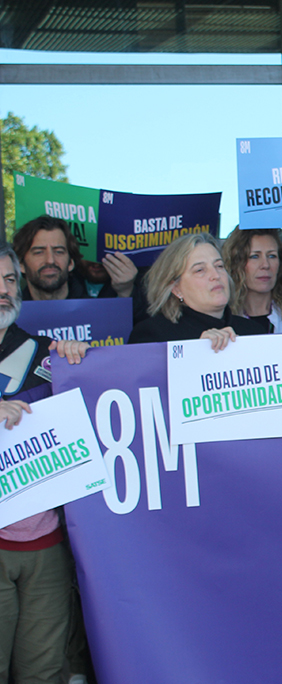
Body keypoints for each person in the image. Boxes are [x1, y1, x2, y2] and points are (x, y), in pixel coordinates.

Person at [0, 245, 91, 684]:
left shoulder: (42, 357)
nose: (3, 290)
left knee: (43, 672)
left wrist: (78, 364)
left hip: (44, 548)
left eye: (10, 280)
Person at [129, 233, 266, 346]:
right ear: (176, 288)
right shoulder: (152, 335)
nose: (216, 276)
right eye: (200, 270)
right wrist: (197, 353)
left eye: (219, 266)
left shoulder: (254, 332)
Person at [12, 216, 136, 300]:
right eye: (39, 252)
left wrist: (126, 292)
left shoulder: (98, 313)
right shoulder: (9, 318)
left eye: (59, 252)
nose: (50, 260)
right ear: (21, 264)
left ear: (71, 262)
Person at [222, 228, 282, 333]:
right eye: (254, 256)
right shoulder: (223, 320)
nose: (265, 265)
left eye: (272, 256)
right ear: (236, 264)